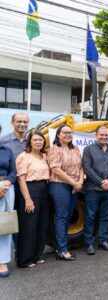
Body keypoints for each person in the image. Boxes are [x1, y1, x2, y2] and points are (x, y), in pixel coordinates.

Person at [47, 125, 84, 261]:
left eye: (70, 132)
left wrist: (79, 181)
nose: (68, 135)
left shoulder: (75, 149)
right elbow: (56, 170)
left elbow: (81, 166)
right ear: (58, 135)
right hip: (59, 186)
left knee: (68, 216)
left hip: (74, 186)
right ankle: (61, 250)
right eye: (65, 132)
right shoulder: (54, 150)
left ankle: (61, 247)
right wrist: (74, 183)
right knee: (62, 217)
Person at [82, 126, 108, 255]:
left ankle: (103, 241)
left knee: (105, 217)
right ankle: (89, 244)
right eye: (101, 135)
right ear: (95, 135)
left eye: (106, 135)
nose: (104, 137)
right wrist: (101, 182)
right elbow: (87, 168)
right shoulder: (88, 150)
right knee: (90, 217)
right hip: (93, 190)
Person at [16, 131, 50, 268]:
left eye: (40, 140)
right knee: (29, 226)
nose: (38, 142)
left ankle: (37, 255)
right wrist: (28, 199)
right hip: (30, 190)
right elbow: (21, 179)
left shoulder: (44, 156)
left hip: (44, 189)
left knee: (42, 224)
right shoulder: (24, 157)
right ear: (30, 141)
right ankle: (25, 259)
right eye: (35, 140)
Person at [0, 113, 29, 259]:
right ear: (12, 123)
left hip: (26, 186)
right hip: (8, 187)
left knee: (22, 219)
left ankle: (21, 252)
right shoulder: (4, 141)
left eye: (25, 122)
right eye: (19, 121)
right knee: (7, 218)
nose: (22, 124)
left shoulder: (31, 141)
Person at [0, 124, 16, 277]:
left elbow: (13, 171)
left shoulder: (7, 150)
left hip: (6, 187)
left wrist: (7, 183)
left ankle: (2, 261)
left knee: (4, 225)